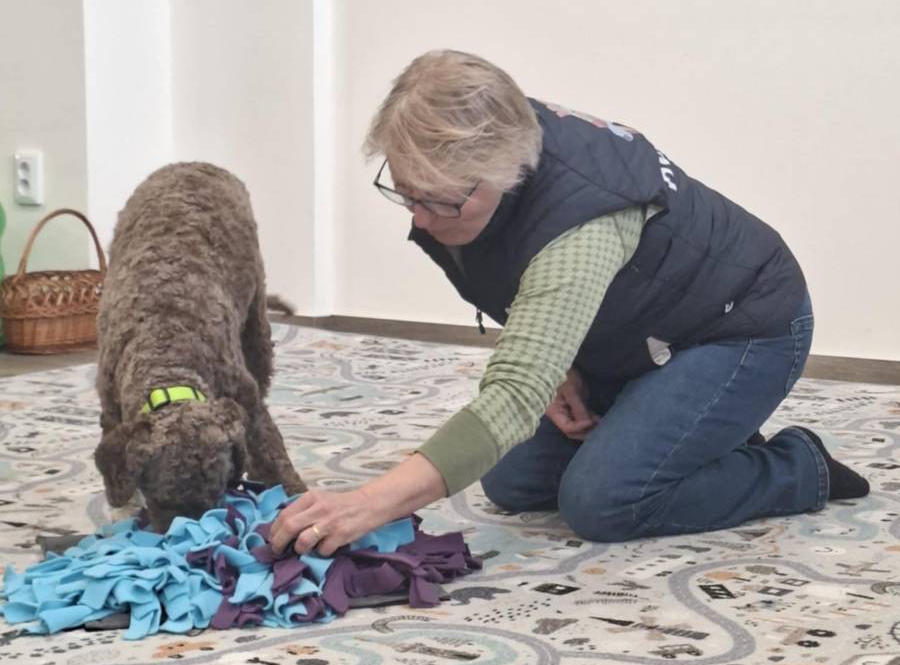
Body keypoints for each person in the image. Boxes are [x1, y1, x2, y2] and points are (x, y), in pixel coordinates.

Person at [270, 50, 868, 558]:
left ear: (503, 172)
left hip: (743, 327)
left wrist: (364, 505)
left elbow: (512, 396)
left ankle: (797, 466)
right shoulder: (486, 134)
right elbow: (526, 290)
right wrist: (564, 364)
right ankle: (699, 432)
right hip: (647, 331)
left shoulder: (580, 223)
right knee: (511, 480)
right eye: (405, 194)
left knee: (603, 501)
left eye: (440, 202)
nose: (421, 219)